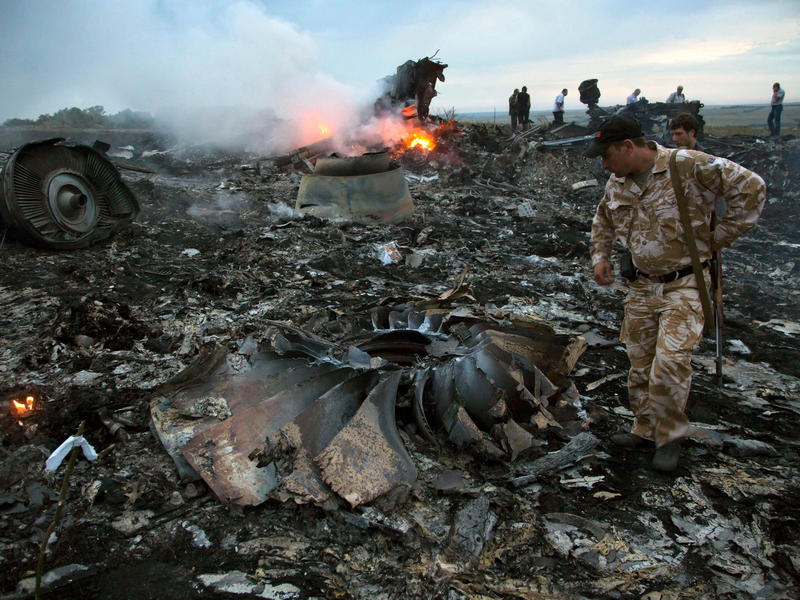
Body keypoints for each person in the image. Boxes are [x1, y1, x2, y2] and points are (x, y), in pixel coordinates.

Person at [585, 116, 765, 472]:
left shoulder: (687, 165)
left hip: (685, 284)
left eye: (606, 155)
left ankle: (669, 437)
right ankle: (644, 428)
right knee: (640, 361)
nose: (603, 164)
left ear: (628, 147)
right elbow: (603, 219)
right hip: (641, 286)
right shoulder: (617, 182)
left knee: (669, 364)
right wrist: (600, 257)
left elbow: (752, 187)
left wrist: (719, 237)